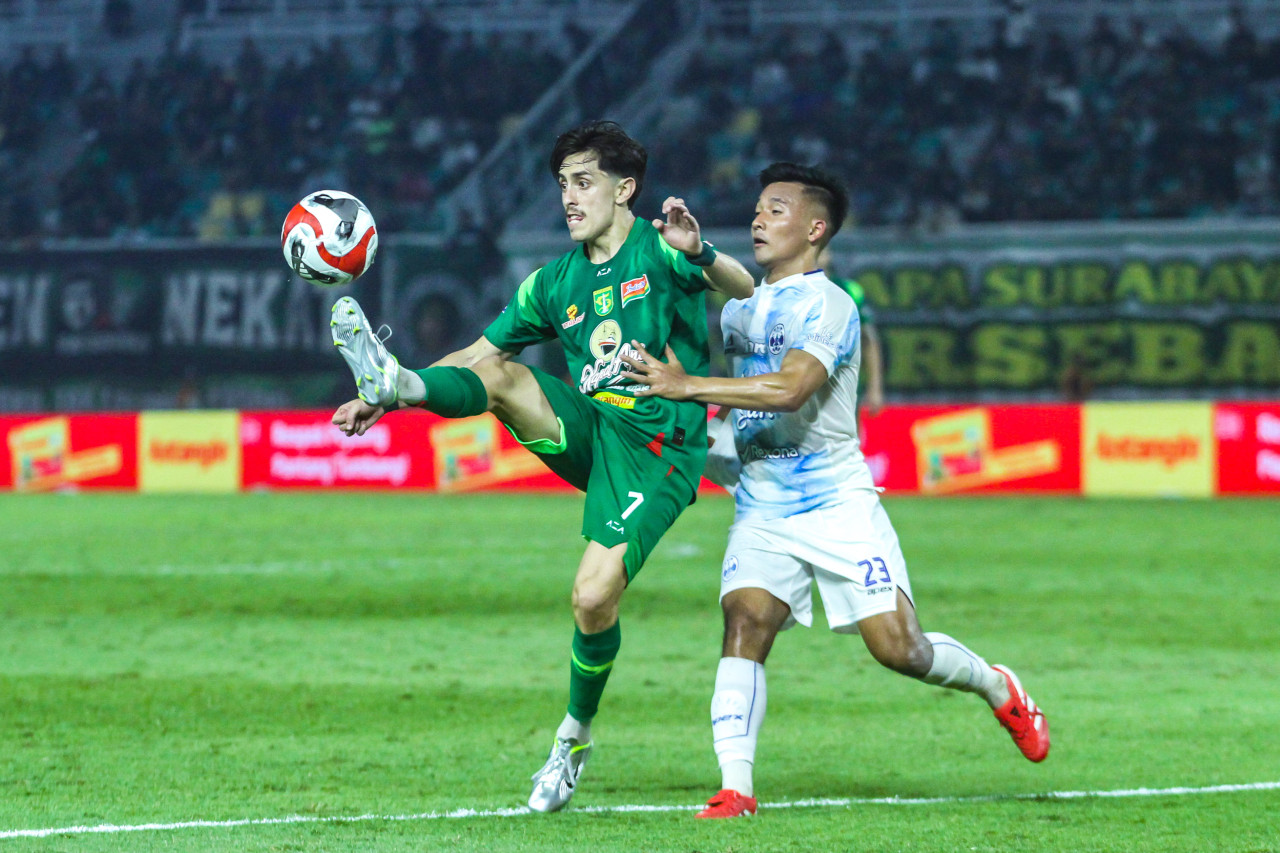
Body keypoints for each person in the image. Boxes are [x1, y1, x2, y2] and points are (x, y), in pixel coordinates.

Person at [329, 120, 755, 812]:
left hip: (660, 450)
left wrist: (702, 249)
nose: (569, 196)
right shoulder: (552, 282)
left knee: (591, 598)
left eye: (584, 181)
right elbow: (477, 355)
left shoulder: (662, 248)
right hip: (594, 430)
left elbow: (741, 287)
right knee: (499, 372)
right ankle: (397, 381)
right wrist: (393, 397)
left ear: (626, 189)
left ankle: (572, 737)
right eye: (562, 183)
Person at [620, 163, 1049, 819]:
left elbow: (791, 387)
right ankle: (737, 788)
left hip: (835, 501)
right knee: (745, 620)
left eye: (777, 209)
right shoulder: (751, 301)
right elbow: (737, 290)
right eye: (759, 208)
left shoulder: (832, 305)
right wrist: (699, 251)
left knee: (900, 649)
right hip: (762, 498)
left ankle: (997, 684)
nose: (760, 217)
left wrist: (687, 387)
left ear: (814, 228)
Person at [817, 245, 884, 420]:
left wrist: (874, 388)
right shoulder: (791, 293)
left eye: (821, 250)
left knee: (846, 440)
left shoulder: (850, 291)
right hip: (804, 387)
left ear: (829, 256)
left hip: (844, 387)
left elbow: (868, 340)